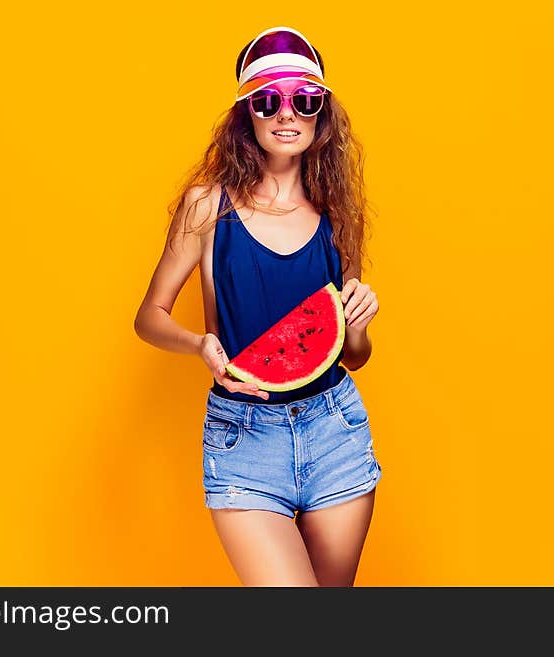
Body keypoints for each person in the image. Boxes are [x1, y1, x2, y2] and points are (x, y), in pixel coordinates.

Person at [134, 26, 382, 586]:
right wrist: (200, 343)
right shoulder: (207, 206)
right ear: (248, 114)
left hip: (335, 430)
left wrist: (359, 325)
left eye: (305, 99)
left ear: (322, 113)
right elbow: (149, 315)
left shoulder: (339, 214)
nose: (287, 114)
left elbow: (352, 354)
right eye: (269, 100)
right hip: (243, 437)